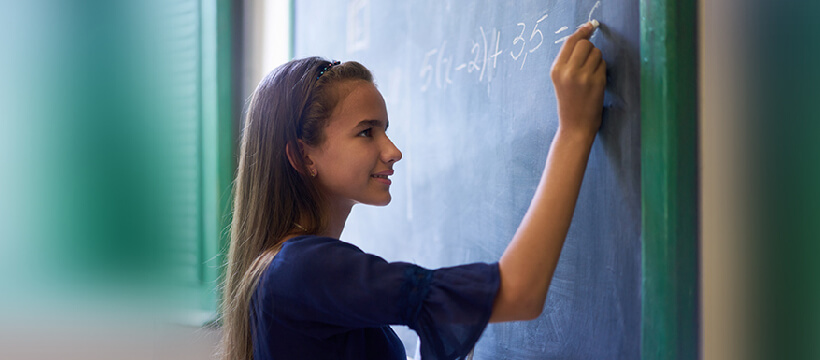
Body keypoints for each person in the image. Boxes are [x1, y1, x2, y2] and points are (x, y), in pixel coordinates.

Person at [219, 21, 606, 360]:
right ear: (303, 156)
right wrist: (573, 132)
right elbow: (520, 292)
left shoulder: (282, 268)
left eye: (385, 130)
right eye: (367, 132)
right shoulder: (304, 269)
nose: (393, 150)